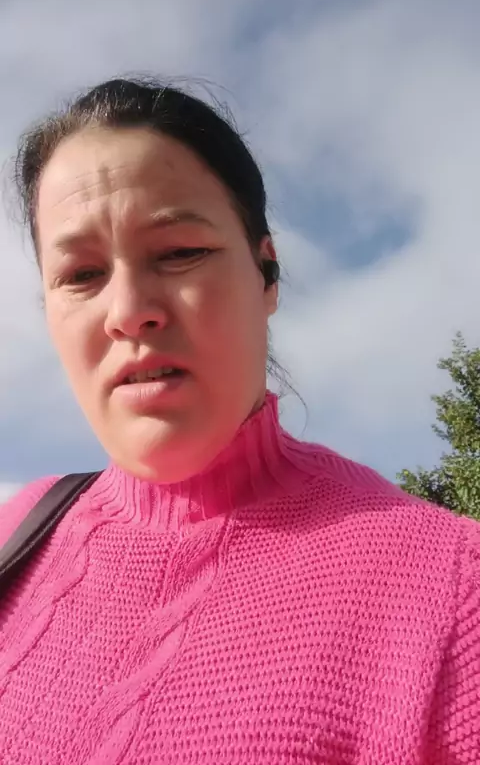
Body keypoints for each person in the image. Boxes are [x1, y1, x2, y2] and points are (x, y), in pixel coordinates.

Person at [0, 78, 478, 765]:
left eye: (179, 252)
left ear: (267, 272)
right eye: (80, 275)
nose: (128, 311)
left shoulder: (452, 593)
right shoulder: (19, 534)